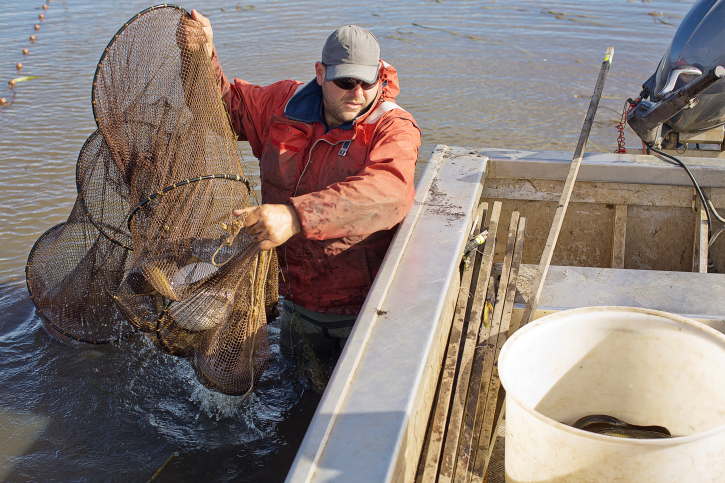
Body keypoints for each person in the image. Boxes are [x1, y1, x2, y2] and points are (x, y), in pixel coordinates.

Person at [184, 10, 421, 355]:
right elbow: (225, 108)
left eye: (366, 83)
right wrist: (201, 57)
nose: (356, 93)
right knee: (300, 389)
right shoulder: (283, 104)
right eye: (345, 82)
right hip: (296, 301)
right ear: (321, 73)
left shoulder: (394, 127)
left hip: (365, 308)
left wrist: (295, 217)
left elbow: (389, 192)